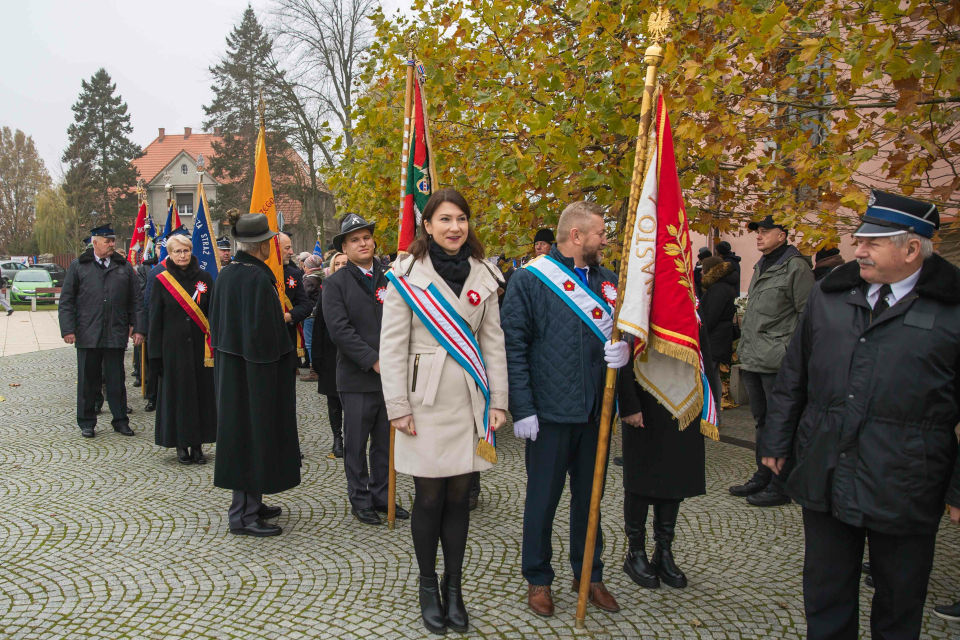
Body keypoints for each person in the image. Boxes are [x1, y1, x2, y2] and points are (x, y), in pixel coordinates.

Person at [760, 190, 960, 639]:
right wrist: (776, 441)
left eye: (873, 241)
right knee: (826, 597)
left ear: (912, 249)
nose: (859, 250)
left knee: (899, 605)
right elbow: (795, 371)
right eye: (859, 238)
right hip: (827, 470)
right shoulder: (831, 295)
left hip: (907, 481)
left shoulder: (952, 309)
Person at [380, 188, 509, 635]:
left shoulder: (484, 275)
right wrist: (397, 406)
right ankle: (427, 585)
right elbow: (392, 346)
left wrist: (499, 402)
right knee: (430, 497)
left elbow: (494, 343)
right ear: (428, 225)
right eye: (446, 219)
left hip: (469, 400)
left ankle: (455, 588)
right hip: (423, 401)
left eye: (462, 219)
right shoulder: (405, 274)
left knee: (460, 498)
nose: (455, 227)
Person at [501, 201, 630, 617]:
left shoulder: (610, 281)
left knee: (590, 500)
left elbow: (619, 334)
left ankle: (589, 574)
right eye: (600, 233)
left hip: (596, 411)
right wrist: (523, 409)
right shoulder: (529, 281)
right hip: (550, 414)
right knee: (542, 501)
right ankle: (538, 578)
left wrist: (624, 351)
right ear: (576, 236)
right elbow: (513, 348)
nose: (605, 239)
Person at [210, 214, 301, 537]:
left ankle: (253, 501)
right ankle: (243, 514)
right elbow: (266, 333)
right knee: (250, 438)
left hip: (234, 369)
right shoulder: (256, 278)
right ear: (262, 245)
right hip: (255, 372)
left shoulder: (228, 274)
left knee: (246, 437)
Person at [618, 325, 721, 591]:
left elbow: (701, 351)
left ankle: (663, 551)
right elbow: (622, 348)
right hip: (644, 397)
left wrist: (711, 401)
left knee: (675, 472)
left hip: (684, 396)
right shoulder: (638, 288)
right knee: (641, 478)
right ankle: (635, 552)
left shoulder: (686, 294)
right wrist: (627, 403)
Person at [323, 214, 409, 525]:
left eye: (367, 237)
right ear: (344, 247)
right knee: (356, 444)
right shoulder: (335, 284)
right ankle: (359, 499)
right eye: (355, 239)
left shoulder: (392, 278)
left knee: (386, 444)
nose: (363, 243)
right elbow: (340, 330)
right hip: (358, 378)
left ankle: (382, 495)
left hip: (391, 379)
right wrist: (373, 360)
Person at [728, 215, 814, 507]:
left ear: (783, 234)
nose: (759, 236)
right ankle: (763, 476)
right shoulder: (762, 265)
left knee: (782, 423)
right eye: (758, 231)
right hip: (753, 357)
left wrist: (790, 353)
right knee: (762, 421)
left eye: (766, 231)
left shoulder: (796, 268)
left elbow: (807, 317)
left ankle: (782, 485)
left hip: (777, 361)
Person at [59, 225, 145, 438]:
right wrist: (68, 329)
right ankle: (87, 422)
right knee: (88, 381)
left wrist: (139, 327)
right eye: (107, 241)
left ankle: (120, 421)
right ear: (95, 243)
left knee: (117, 380)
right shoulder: (79, 266)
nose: (112, 244)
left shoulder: (123, 267)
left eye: (113, 240)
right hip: (88, 333)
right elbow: (67, 300)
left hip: (115, 331)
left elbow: (137, 300)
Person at [148, 234, 217, 464]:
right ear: (169, 254)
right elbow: (155, 319)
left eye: (185, 250)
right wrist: (155, 354)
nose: (182, 255)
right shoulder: (161, 280)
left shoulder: (205, 277)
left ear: (191, 251)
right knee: (178, 398)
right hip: (172, 349)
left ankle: (198, 446)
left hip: (201, 349)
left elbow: (213, 313)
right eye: (177, 251)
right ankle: (180, 444)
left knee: (200, 397)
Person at [311, 251, 348, 459]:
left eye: (345, 263)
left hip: (351, 354)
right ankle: (337, 439)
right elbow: (319, 325)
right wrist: (316, 357)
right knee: (333, 400)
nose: (342, 266)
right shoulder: (327, 289)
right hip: (330, 353)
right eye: (338, 263)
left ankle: (352, 437)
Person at [698, 256, 738, 381]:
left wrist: (699, 333)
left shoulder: (718, 289)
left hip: (713, 341)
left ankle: (712, 401)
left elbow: (709, 317)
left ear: (709, 270)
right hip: (718, 340)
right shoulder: (722, 287)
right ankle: (715, 401)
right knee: (713, 377)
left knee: (708, 378)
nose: (700, 272)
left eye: (703, 269)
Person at [279, 233, 313, 377]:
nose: (292, 252)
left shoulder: (293, 274)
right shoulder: (258, 273)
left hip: (289, 342)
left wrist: (289, 316)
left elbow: (306, 305)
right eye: (287, 248)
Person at [300, 254, 324, 383]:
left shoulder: (309, 280)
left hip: (311, 315)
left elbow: (304, 297)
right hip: (320, 313)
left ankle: (313, 370)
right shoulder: (323, 275)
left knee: (310, 343)